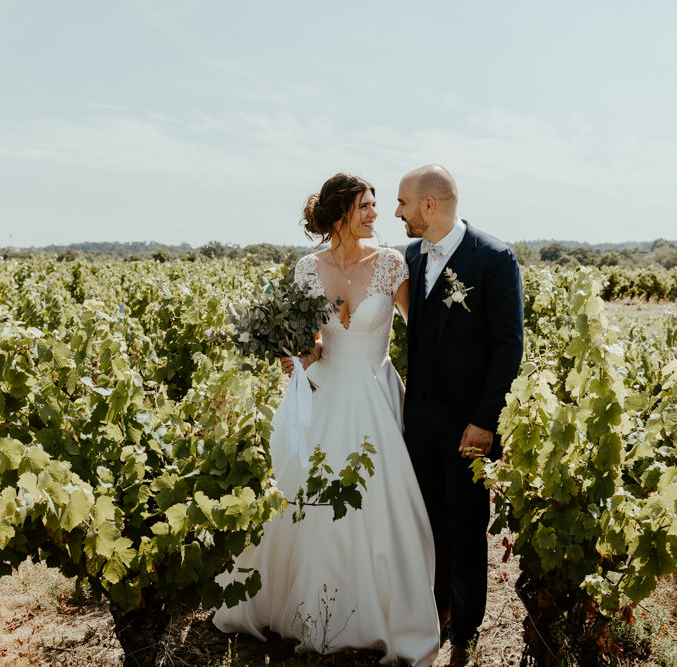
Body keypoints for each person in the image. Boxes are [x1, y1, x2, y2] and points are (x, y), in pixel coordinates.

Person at [213, 173, 439, 667]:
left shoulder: (391, 265)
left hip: (375, 396)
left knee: (380, 503)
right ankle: (304, 609)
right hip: (322, 392)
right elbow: (309, 344)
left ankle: (383, 613)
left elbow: (423, 333)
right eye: (365, 206)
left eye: (376, 204)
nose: (375, 214)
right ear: (339, 213)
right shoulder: (306, 269)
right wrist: (297, 358)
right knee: (307, 499)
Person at [396, 164, 524, 649]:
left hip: (469, 421)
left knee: (468, 523)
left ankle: (467, 628)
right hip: (420, 418)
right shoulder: (409, 255)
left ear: (428, 205)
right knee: (427, 519)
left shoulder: (492, 257)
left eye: (403, 202)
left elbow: (509, 345)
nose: (397, 213)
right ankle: (435, 612)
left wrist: (485, 421)